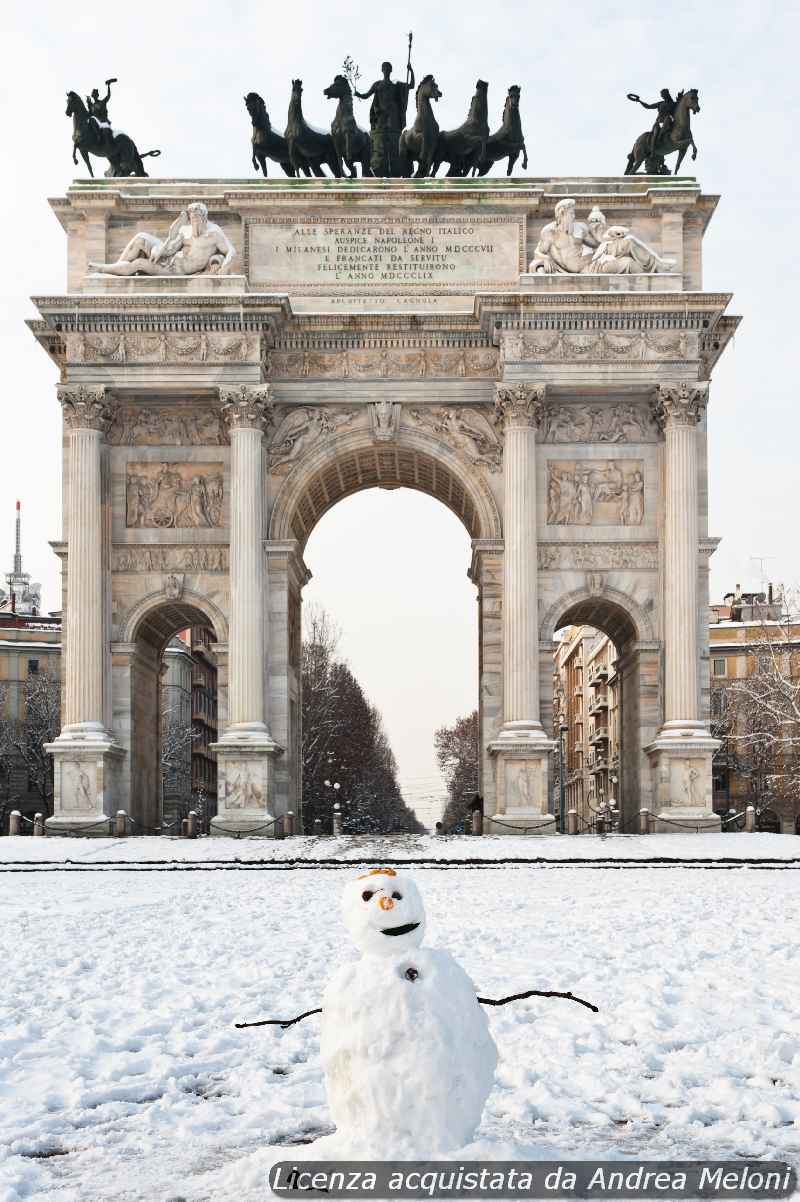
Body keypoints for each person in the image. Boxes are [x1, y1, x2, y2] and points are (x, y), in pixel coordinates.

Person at [89, 202, 235, 277]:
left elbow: (231, 251)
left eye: (197, 218)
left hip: (175, 271)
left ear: (204, 218)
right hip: (169, 258)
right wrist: (159, 250)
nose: (194, 222)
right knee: (141, 238)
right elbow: (171, 247)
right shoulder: (186, 230)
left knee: (139, 263)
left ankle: (103, 270)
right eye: (192, 218)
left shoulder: (214, 234)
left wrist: (224, 267)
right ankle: (115, 270)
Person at [355, 61, 414, 176]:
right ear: (382, 70)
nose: (386, 70)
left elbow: (411, 85)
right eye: (384, 68)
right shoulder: (377, 84)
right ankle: (378, 164)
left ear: (390, 71)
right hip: (381, 114)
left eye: (388, 68)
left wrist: (411, 70)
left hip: (393, 113)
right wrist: (359, 94)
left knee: (393, 137)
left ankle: (396, 163)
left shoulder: (395, 85)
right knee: (380, 138)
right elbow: (367, 95)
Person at [627, 88, 676, 156]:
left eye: (663, 95)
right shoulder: (660, 103)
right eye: (662, 95)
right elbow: (648, 106)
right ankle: (653, 150)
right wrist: (639, 101)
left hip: (668, 123)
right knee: (655, 134)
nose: (662, 96)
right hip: (659, 122)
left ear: (667, 94)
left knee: (667, 119)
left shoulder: (673, 104)